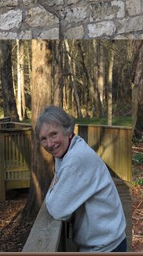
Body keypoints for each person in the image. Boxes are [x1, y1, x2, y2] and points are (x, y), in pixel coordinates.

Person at [35, 105, 127, 252]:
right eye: (43, 139)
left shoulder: (76, 159)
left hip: (107, 246)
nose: (50, 144)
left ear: (67, 130)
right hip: (105, 240)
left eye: (53, 134)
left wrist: (53, 190)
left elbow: (57, 209)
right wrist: (57, 188)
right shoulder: (67, 150)